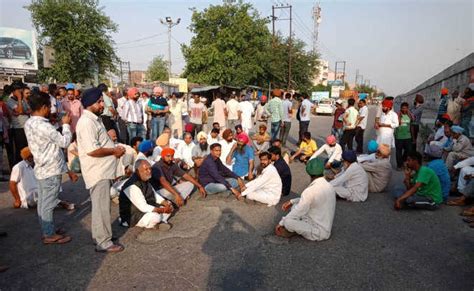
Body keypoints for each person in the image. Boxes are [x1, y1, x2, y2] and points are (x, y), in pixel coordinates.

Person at [76, 87, 126, 253]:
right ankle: (103, 242)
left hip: (103, 170)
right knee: (101, 207)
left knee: (102, 206)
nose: (102, 105)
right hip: (97, 171)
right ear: (91, 103)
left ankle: (102, 236)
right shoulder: (86, 122)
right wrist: (114, 151)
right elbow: (92, 150)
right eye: (99, 102)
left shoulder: (94, 119)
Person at [24, 92, 76, 244]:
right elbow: (64, 142)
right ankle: (48, 234)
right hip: (51, 169)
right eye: (50, 106)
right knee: (48, 203)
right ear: (43, 107)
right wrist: (66, 124)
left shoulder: (30, 122)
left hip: (42, 168)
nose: (51, 109)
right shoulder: (43, 126)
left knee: (43, 202)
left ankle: (48, 228)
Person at [275, 158, 336, 241]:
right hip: (324, 226)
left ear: (309, 173)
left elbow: (299, 210)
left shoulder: (310, 190)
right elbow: (309, 199)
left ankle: (294, 230)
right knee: (296, 206)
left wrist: (281, 223)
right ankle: (298, 228)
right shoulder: (329, 186)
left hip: (318, 232)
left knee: (288, 221)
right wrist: (292, 201)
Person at [119, 159, 173, 230]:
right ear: (137, 171)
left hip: (145, 209)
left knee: (170, 206)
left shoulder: (145, 179)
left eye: (150, 168)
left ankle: (156, 223)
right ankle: (156, 223)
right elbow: (143, 207)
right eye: (146, 169)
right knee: (156, 217)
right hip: (133, 215)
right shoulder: (132, 185)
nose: (149, 171)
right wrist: (163, 210)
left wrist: (166, 204)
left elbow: (155, 195)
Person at [7, 81, 31, 165]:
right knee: (20, 150)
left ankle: (27, 166)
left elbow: (29, 110)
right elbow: (20, 110)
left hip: (26, 127)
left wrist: (22, 112)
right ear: (15, 90)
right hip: (18, 128)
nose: (21, 91)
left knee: (27, 148)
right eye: (20, 89)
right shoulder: (10, 101)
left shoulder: (23, 100)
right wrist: (20, 98)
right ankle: (19, 168)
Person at [395, 102, 413, 169]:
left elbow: (412, 123)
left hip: (408, 136)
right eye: (403, 108)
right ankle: (399, 165)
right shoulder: (397, 115)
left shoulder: (409, 115)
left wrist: (413, 138)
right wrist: (399, 114)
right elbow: (397, 123)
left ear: (408, 109)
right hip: (399, 136)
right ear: (401, 108)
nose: (404, 109)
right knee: (398, 152)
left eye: (406, 108)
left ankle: (405, 162)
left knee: (409, 151)